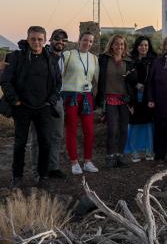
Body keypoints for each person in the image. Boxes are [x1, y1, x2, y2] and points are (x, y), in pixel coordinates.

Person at [1, 26, 62, 188]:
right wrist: (14, 100)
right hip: (22, 107)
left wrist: (52, 100)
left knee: (45, 143)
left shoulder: (51, 58)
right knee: (20, 143)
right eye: (33, 39)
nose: (36, 42)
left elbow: (58, 83)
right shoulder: (17, 57)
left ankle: (43, 176)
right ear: (28, 39)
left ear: (44, 40)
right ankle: (17, 177)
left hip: (44, 107)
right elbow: (5, 80)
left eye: (40, 39)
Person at [29, 29, 68, 180]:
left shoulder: (62, 57)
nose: (61, 41)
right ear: (50, 40)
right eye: (57, 38)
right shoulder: (42, 55)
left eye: (64, 39)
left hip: (56, 99)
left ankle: (53, 167)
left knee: (57, 135)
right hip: (40, 101)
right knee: (37, 137)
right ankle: (37, 171)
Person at [61, 31, 100, 174]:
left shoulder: (94, 59)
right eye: (85, 40)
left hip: (87, 97)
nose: (88, 43)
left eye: (90, 41)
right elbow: (57, 75)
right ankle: (74, 162)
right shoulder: (68, 55)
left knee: (89, 131)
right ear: (79, 40)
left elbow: (97, 80)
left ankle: (88, 161)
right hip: (70, 96)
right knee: (72, 129)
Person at [96, 35, 136, 168]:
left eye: (122, 44)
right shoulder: (103, 59)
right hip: (109, 98)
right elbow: (98, 77)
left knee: (124, 129)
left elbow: (134, 80)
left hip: (125, 99)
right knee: (112, 129)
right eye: (116, 44)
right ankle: (110, 156)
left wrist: (130, 76)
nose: (119, 47)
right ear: (111, 45)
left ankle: (120, 156)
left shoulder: (129, 61)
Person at [124, 36, 157, 162]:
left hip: (149, 96)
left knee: (149, 124)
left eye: (146, 45)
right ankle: (135, 152)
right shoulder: (130, 60)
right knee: (135, 124)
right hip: (134, 96)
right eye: (141, 45)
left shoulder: (154, 60)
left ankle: (149, 150)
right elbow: (125, 78)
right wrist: (136, 84)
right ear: (137, 46)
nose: (144, 47)